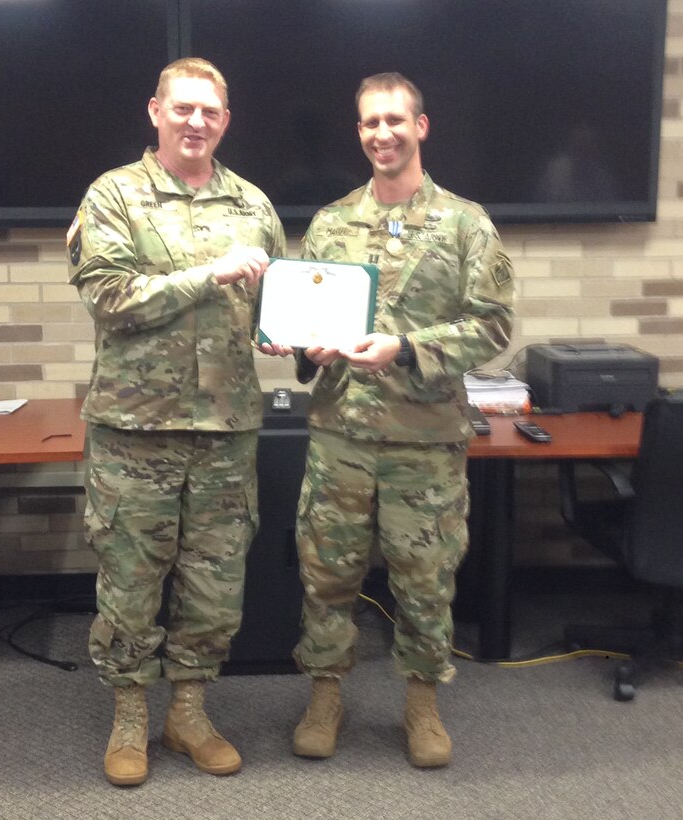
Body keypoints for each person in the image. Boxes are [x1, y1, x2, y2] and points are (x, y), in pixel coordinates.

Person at [265, 72, 514, 768]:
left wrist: (406, 348)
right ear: (359, 132)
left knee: (424, 580)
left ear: (421, 127)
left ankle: (422, 704)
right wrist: (305, 352)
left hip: (425, 443)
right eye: (370, 123)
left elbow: (493, 327)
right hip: (341, 437)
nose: (383, 134)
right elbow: (307, 331)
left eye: (395, 121)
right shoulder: (331, 222)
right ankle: (325, 696)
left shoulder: (466, 224)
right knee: (327, 576)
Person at [67, 57, 286, 787]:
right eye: (183, 108)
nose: (197, 122)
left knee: (214, 583)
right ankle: (130, 715)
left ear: (226, 120)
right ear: (155, 111)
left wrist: (282, 332)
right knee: (130, 579)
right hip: (137, 432)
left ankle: (188, 711)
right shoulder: (114, 197)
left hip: (225, 432)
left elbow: (269, 306)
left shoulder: (253, 205)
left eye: (211, 112)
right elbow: (109, 297)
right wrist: (209, 275)